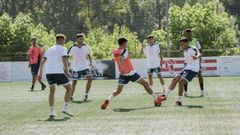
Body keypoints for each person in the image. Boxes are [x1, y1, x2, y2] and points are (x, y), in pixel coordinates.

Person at [101, 38, 162, 110]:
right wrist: (123, 68)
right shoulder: (124, 50)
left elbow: (113, 60)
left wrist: (121, 69)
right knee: (145, 83)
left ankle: (107, 100)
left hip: (122, 74)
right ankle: (156, 98)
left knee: (118, 91)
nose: (126, 45)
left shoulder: (114, 51)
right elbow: (121, 59)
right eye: (126, 43)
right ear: (123, 44)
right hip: (130, 72)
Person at [37, 34, 74, 118]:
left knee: (52, 91)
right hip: (58, 73)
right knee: (69, 88)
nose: (65, 42)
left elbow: (43, 61)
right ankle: (65, 108)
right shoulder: (63, 49)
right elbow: (64, 59)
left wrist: (40, 74)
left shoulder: (49, 49)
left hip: (49, 73)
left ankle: (52, 112)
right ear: (61, 40)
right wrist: (67, 72)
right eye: (64, 40)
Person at [159, 37, 202, 106]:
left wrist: (197, 57)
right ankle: (165, 96)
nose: (181, 46)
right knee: (175, 79)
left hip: (193, 69)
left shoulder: (192, 48)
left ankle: (178, 101)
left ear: (187, 43)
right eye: (180, 44)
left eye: (182, 44)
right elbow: (183, 50)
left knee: (181, 82)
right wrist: (182, 49)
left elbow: (200, 54)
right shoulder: (185, 49)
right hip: (187, 68)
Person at [67, 33, 93, 101]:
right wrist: (68, 62)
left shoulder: (85, 46)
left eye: (82, 39)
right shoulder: (73, 47)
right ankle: (71, 96)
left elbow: (88, 55)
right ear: (77, 40)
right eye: (80, 39)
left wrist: (90, 62)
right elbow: (67, 56)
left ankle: (86, 95)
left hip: (85, 67)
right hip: (76, 68)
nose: (81, 40)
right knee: (74, 83)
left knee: (90, 79)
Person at [184, 29, 204, 96]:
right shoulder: (184, 41)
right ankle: (185, 92)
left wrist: (199, 60)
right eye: (186, 34)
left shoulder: (196, 40)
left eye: (189, 33)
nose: (188, 35)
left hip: (196, 62)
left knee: (200, 75)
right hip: (187, 62)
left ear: (191, 34)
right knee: (184, 76)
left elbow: (200, 51)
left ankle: (202, 91)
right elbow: (181, 49)